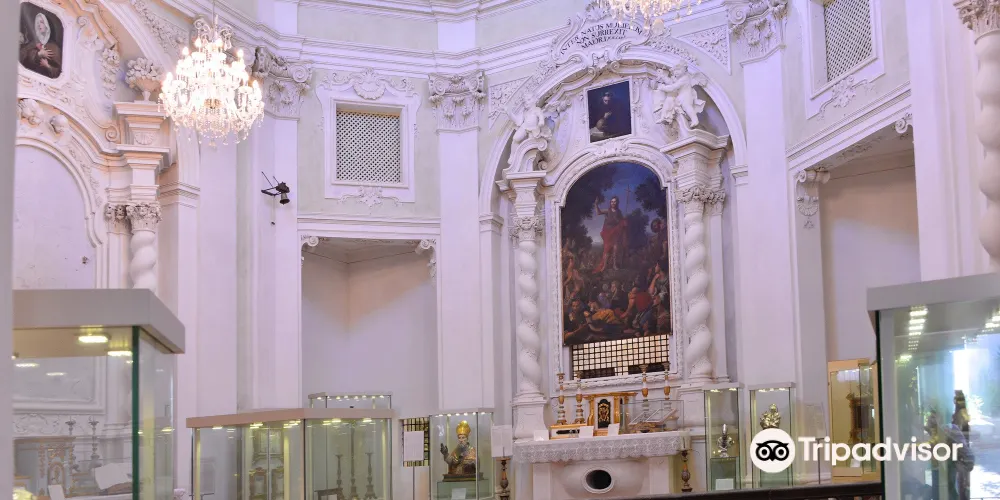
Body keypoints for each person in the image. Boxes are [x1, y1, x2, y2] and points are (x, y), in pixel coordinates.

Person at [20, 12, 62, 78]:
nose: (39, 25)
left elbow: (58, 72)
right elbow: (22, 58)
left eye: (42, 22)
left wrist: (48, 66)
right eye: (38, 23)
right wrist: (38, 54)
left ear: (47, 25)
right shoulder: (33, 43)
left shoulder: (54, 47)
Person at [594, 196, 628, 273]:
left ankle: (614, 265)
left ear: (617, 203)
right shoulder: (608, 210)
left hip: (615, 232)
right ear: (610, 203)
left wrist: (624, 221)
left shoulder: (619, 212)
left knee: (615, 249)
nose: (613, 203)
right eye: (612, 201)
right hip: (608, 232)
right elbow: (598, 212)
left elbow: (622, 221)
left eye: (614, 201)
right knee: (607, 249)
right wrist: (596, 204)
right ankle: (604, 266)